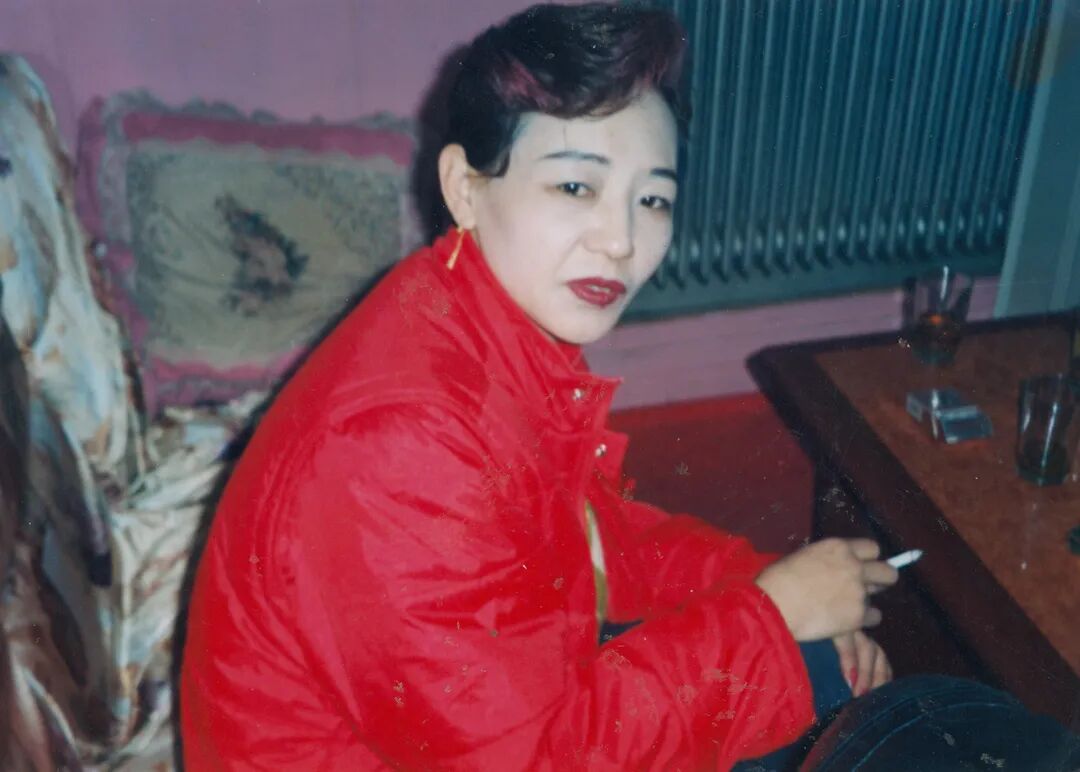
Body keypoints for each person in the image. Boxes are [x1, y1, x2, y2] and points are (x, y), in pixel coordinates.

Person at [180, 3, 900, 768]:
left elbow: (587, 535)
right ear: (464, 187)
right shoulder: (402, 443)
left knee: (823, 677)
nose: (621, 240)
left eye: (652, 199)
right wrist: (770, 617)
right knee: (832, 705)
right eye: (576, 187)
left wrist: (766, 586)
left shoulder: (471, 313)